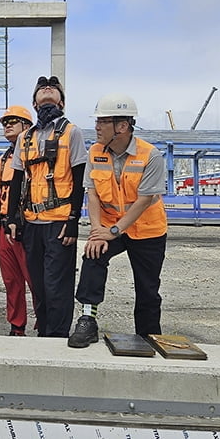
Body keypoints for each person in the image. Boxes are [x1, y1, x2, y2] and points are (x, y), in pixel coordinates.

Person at [68, 93, 168, 347]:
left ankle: (148, 336)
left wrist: (113, 231)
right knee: (93, 255)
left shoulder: (151, 156)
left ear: (122, 126)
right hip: (110, 225)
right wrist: (97, 231)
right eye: (97, 121)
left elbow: (144, 200)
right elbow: (92, 195)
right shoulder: (95, 152)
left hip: (147, 230)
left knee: (147, 287)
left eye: (103, 121)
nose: (97, 127)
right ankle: (87, 320)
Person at [6, 75, 87, 338]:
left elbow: (79, 179)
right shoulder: (25, 138)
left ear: (61, 102)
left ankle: (58, 336)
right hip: (32, 223)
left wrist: (73, 220)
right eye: (42, 88)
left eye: (53, 88)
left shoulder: (71, 132)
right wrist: (12, 218)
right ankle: (44, 335)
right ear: (34, 101)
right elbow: (17, 179)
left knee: (57, 286)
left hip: (59, 223)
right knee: (38, 285)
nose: (47, 88)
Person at [0, 105, 37, 336]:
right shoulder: (4, 158)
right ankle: (17, 326)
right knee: (11, 280)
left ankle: (45, 322)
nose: (8, 124)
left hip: (27, 226)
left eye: (13, 121)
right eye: (5, 122)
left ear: (27, 127)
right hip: (4, 226)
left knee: (34, 278)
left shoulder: (34, 155)